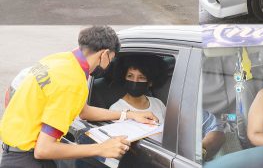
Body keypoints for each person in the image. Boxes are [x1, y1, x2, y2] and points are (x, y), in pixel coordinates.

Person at [0, 26, 159, 167]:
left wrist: (129, 114)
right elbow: (43, 150)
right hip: (26, 159)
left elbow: (83, 111)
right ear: (104, 54)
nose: (109, 64)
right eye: (111, 59)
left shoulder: (60, 60)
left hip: (15, 150)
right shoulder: (71, 83)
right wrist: (101, 148)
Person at [109, 55, 166, 129]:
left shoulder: (158, 103)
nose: (135, 81)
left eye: (141, 77)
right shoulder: (116, 109)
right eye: (130, 76)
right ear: (123, 77)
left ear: (150, 82)